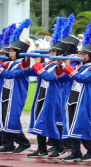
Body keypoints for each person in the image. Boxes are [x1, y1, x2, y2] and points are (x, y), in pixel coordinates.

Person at [57, 18, 91, 162]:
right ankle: (76, 152)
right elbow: (63, 78)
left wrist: (69, 66)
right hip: (73, 98)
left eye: (84, 54)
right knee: (71, 125)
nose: (81, 56)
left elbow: (83, 79)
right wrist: (60, 66)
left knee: (81, 126)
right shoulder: (80, 66)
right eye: (81, 53)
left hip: (85, 100)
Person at [27, 17, 73, 157]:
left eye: (54, 52)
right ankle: (41, 149)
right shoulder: (47, 64)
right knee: (38, 121)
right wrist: (28, 61)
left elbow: (50, 77)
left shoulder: (62, 66)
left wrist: (38, 63)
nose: (50, 54)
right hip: (42, 94)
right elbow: (31, 72)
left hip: (53, 96)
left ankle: (60, 148)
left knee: (51, 122)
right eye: (51, 51)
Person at [0, 20, 33, 154]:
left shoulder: (23, 65)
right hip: (5, 93)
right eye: (10, 51)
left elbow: (9, 75)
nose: (10, 53)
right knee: (2, 117)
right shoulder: (9, 63)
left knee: (12, 118)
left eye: (13, 51)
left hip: (16, 94)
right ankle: (7, 144)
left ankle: (24, 142)